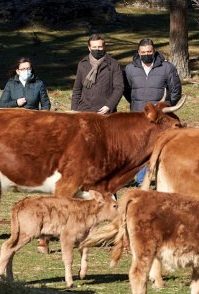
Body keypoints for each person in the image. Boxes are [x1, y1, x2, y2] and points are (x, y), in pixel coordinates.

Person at [123, 38, 182, 185]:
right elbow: (127, 90)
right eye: (143, 52)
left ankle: (144, 180)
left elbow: (175, 90)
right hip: (138, 115)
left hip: (158, 118)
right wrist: (136, 104)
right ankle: (134, 177)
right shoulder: (130, 69)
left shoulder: (167, 68)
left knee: (152, 147)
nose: (146, 54)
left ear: (154, 51)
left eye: (149, 52)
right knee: (137, 148)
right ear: (138, 52)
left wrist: (164, 108)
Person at [71, 34, 123, 114]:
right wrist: (74, 109)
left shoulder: (113, 64)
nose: (97, 49)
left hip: (105, 111)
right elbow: (77, 89)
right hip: (84, 111)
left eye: (99, 47)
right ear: (89, 48)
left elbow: (119, 88)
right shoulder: (82, 64)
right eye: (94, 47)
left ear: (104, 47)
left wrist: (109, 106)